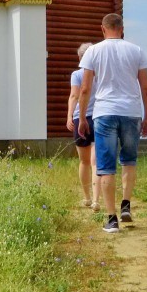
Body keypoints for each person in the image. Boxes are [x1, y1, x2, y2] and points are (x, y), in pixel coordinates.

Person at [77, 14, 147, 233]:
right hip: (131, 112)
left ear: (103, 29)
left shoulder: (93, 51)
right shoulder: (136, 51)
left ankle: (111, 219)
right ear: (122, 29)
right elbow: (146, 88)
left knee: (105, 167)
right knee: (129, 160)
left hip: (104, 112)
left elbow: (85, 89)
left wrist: (82, 118)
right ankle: (126, 204)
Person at [66, 42, 100, 210]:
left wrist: (69, 115)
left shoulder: (77, 75)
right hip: (99, 118)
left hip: (81, 117)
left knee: (84, 161)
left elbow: (74, 95)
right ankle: (96, 200)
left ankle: (86, 198)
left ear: (80, 58)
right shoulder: (100, 74)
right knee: (96, 162)